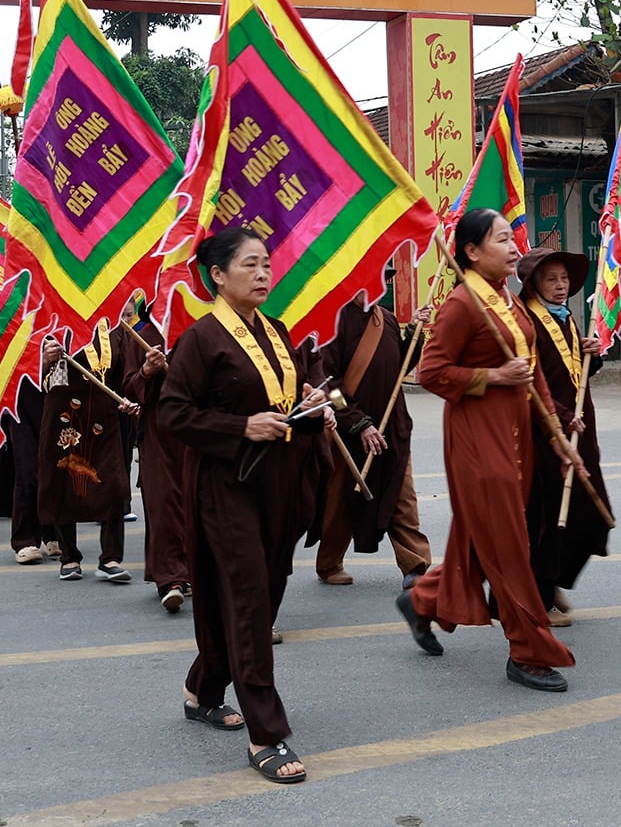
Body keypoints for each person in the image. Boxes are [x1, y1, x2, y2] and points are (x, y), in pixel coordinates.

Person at [157, 228, 331, 784]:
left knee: (255, 595)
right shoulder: (200, 340)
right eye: (250, 264)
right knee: (250, 600)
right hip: (224, 486)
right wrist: (240, 426)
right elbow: (173, 414)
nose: (263, 274)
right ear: (218, 275)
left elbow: (280, 398)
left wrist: (307, 406)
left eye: (266, 264)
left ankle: (204, 690)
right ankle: (266, 733)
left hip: (277, 485)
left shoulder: (277, 332)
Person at [395, 209, 583, 693]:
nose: (514, 247)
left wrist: (558, 436)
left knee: (482, 540)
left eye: (512, 238)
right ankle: (529, 651)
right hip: (478, 440)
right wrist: (493, 378)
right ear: (472, 251)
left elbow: (532, 370)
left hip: (516, 434)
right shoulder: (463, 303)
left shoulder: (508, 301)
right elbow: (431, 372)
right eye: (503, 239)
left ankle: (424, 601)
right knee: (509, 546)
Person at [313, 294, 433, 589]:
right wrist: (358, 423)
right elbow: (331, 385)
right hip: (350, 430)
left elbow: (400, 366)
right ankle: (329, 562)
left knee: (402, 498)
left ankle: (415, 565)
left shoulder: (387, 318)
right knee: (341, 502)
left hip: (392, 426)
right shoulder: (334, 321)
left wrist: (414, 334)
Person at [517, 247, 610, 628]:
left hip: (580, 431)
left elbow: (576, 371)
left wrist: (594, 353)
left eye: (564, 279)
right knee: (549, 516)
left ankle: (554, 581)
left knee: (590, 515)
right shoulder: (527, 321)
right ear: (534, 283)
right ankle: (539, 597)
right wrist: (562, 418)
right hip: (547, 433)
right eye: (551, 279)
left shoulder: (566, 317)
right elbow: (533, 383)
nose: (560, 286)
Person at [37, 322, 138, 583]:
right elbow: (25, 373)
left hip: (105, 416)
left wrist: (128, 398)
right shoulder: (55, 323)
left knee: (113, 484)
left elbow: (124, 374)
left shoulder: (115, 327)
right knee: (63, 480)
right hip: (64, 414)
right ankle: (69, 557)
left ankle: (110, 558)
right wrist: (44, 360)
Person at [131, 310, 190, 611]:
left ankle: (188, 569)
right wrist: (146, 371)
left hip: (196, 428)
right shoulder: (142, 331)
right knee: (162, 502)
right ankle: (171, 579)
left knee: (194, 502)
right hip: (158, 431)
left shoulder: (204, 324)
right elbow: (128, 384)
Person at [3, 378, 57, 563]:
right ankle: (24, 539)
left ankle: (54, 532)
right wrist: (41, 360)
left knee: (58, 468)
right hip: (22, 393)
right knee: (27, 471)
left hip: (58, 392)